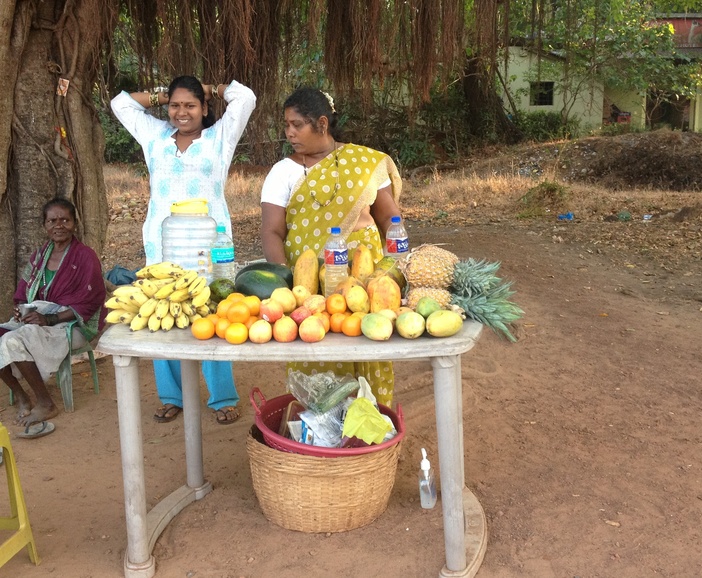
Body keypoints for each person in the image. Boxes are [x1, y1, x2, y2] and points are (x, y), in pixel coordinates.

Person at [111, 76, 256, 425]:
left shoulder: (219, 137)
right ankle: (172, 395)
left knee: (212, 314)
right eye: (175, 105)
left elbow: (245, 97)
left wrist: (211, 89)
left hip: (210, 242)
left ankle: (222, 397)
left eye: (190, 105)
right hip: (162, 242)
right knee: (163, 315)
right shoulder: (154, 136)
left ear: (204, 109)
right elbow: (121, 104)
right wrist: (162, 96)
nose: (181, 112)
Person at [261, 87, 403, 407]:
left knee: (369, 345)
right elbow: (271, 231)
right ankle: (318, 435)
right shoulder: (282, 172)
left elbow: (390, 220)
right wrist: (285, 281)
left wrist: (399, 268)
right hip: (308, 288)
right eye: (286, 125)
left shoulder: (365, 162)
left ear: (322, 124)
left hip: (367, 285)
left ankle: (370, 429)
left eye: (297, 125)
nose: (289, 133)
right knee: (315, 356)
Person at [0, 198, 106, 433]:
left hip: (73, 325)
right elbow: (23, 293)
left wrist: (50, 319)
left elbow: (91, 299)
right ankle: (22, 395)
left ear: (74, 224)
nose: (59, 226)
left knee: (12, 340)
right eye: (53, 221)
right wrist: (21, 310)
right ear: (44, 225)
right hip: (39, 322)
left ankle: (46, 402)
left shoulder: (85, 256)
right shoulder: (39, 257)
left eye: (65, 220)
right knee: (6, 335)